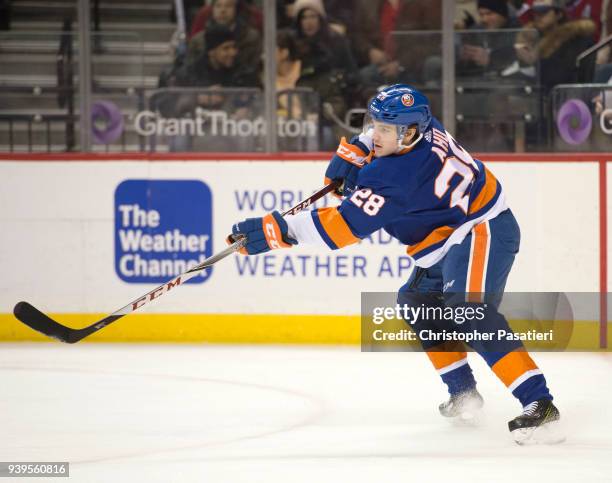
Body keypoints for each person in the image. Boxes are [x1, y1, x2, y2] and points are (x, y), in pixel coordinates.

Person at [228, 84, 563, 445]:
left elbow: (341, 229)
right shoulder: (420, 125)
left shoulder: (396, 176)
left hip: (482, 226)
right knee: (417, 303)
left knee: (470, 313)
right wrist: (360, 145)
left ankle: (539, 403)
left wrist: (279, 230)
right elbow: (371, 151)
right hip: (445, 234)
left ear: (409, 133)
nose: (376, 134)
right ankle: (464, 394)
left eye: (385, 130)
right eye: (375, 124)